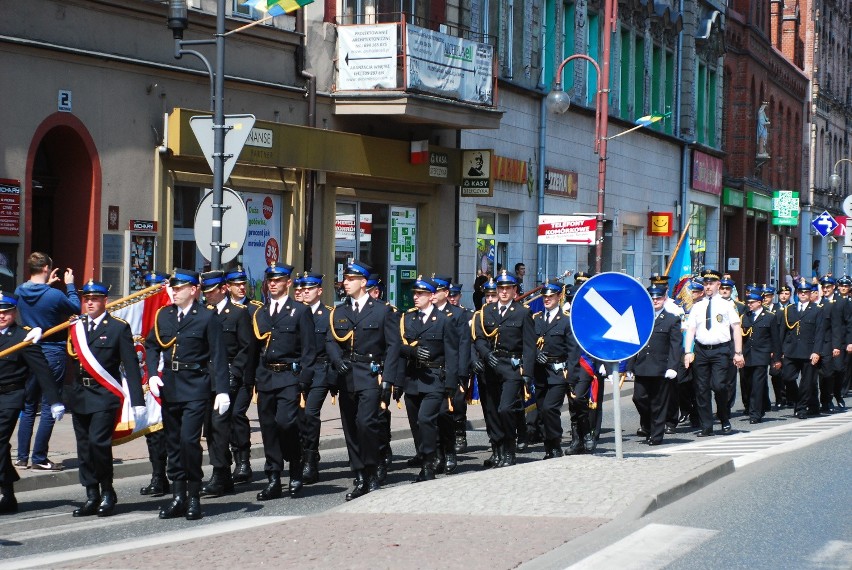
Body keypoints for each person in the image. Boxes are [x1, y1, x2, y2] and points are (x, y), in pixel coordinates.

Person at [145, 269, 229, 520]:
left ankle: (193, 496)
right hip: (170, 386)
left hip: (196, 387)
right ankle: (177, 496)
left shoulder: (206, 317)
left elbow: (218, 355)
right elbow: (152, 345)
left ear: (193, 290)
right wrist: (152, 374)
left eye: (179, 287)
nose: (174, 291)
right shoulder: (164, 315)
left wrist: (222, 391)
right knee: (172, 444)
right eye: (172, 287)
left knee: (188, 442)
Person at [68, 280, 145, 517]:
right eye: (86, 299)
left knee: (98, 444)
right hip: (80, 394)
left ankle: (107, 490)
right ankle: (91, 493)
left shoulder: (117, 328)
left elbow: (131, 365)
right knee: (83, 447)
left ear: (105, 301)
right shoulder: (76, 327)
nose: (89, 303)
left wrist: (138, 400)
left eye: (94, 299)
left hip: (104, 396)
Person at [326, 260, 400, 501]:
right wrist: (337, 361)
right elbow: (331, 341)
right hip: (346, 375)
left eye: (350, 279)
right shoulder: (339, 311)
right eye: (345, 279)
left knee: (366, 424)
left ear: (363, 283)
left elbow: (392, 347)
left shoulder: (382, 311)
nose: (345, 283)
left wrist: (388, 380)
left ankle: (371, 469)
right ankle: (359, 474)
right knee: (350, 427)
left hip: (370, 374)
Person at [252, 263, 316, 500]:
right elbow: (254, 349)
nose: (272, 284)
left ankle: (296, 465)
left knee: (286, 424)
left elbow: (309, 349)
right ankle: (274, 477)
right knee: (269, 429)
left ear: (288, 283)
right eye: (270, 280)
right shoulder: (261, 313)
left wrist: (304, 381)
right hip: (266, 376)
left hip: (290, 376)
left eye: (277, 280)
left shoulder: (299, 311)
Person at [0, 292, 65, 514]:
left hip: (10, 396)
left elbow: (42, 370)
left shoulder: (23, 338)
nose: (1, 316)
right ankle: (7, 492)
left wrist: (55, 400)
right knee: (2, 447)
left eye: (6, 312)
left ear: (14, 313)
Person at [15, 252, 79, 471]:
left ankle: (22, 457)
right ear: (46, 269)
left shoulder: (20, 291)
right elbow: (76, 308)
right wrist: (69, 285)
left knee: (29, 405)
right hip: (52, 350)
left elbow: (35, 297)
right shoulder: (55, 295)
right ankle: (40, 457)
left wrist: (48, 286)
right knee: (51, 403)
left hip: (29, 352)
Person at [198, 270, 255, 498]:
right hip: (210, 377)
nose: (208, 296)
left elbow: (246, 347)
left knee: (222, 424)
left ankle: (221, 472)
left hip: (233, 377)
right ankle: (224, 474)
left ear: (223, 289)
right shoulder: (205, 313)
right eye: (205, 292)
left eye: (211, 292)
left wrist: (236, 371)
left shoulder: (238, 314)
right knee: (211, 427)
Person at [472, 271, 536, 467]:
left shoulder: (522, 312)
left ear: (515, 290)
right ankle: (497, 450)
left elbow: (529, 346)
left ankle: (510, 448)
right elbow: (480, 338)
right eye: (501, 288)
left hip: (512, 367)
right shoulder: (486, 311)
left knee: (506, 408)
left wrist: (527, 373)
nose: (504, 292)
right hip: (491, 367)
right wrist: (485, 353)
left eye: (508, 288)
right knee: (492, 411)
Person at [399, 276, 458, 482]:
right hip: (412, 378)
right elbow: (398, 345)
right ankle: (425, 455)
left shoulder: (444, 320)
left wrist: (451, 383)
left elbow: (452, 353)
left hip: (434, 378)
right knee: (416, 423)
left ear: (431, 296)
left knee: (426, 420)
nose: (416, 297)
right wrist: (410, 351)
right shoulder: (408, 319)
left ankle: (428, 464)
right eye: (415, 294)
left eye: (421, 294)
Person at [683, 269, 744, 437]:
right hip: (702, 350)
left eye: (711, 283)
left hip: (721, 350)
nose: (708, 286)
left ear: (718, 284)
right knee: (701, 389)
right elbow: (691, 330)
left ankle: (724, 418)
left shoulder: (727, 305)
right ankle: (706, 425)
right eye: (705, 283)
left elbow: (736, 327)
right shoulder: (697, 306)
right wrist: (688, 351)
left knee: (719, 386)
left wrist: (738, 352)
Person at [626, 285, 682, 445]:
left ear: (664, 298)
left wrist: (673, 366)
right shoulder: (641, 319)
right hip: (642, 366)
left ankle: (656, 435)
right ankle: (650, 425)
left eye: (658, 298)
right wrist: (630, 366)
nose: (655, 301)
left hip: (660, 368)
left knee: (658, 403)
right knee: (639, 398)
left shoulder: (672, 319)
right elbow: (634, 344)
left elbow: (675, 346)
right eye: (652, 298)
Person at [532, 281, 580, 458]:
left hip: (559, 372)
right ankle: (549, 446)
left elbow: (573, 352)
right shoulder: (536, 318)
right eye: (544, 296)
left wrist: (572, 378)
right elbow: (529, 342)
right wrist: (536, 353)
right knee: (541, 410)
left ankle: (555, 442)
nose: (547, 299)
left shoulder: (566, 320)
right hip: (540, 372)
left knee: (549, 409)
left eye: (550, 296)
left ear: (559, 297)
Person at [296, 272, 335, 485]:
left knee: (310, 413)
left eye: (309, 289)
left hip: (320, 370)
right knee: (297, 416)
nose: (304, 292)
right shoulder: (295, 313)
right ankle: (303, 452)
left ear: (319, 291)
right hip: (299, 370)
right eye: (302, 289)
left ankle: (310, 458)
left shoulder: (327, 315)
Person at [225, 266, 261, 484]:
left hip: (246, 372)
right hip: (222, 373)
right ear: (227, 287)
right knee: (223, 418)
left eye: (243, 284)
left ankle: (243, 461)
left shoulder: (254, 309)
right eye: (236, 284)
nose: (241, 288)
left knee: (237, 414)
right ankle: (227, 461)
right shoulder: (218, 309)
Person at [138, 270, 172, 498]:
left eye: (156, 288)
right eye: (148, 288)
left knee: (169, 433)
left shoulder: (169, 312)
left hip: (169, 377)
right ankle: (158, 477)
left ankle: (175, 477)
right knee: (152, 433)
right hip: (148, 379)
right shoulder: (142, 312)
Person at [779, 280, 825, 419]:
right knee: (787, 377)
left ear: (810, 294)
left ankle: (801, 408)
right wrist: (780, 350)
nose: (803, 294)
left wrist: (816, 351)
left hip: (808, 351)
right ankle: (798, 400)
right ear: (797, 293)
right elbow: (783, 331)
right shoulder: (789, 309)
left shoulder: (817, 309)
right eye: (800, 292)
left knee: (807, 382)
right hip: (791, 351)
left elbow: (819, 333)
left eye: (806, 292)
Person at [739, 292, 781, 423]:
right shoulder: (744, 317)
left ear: (759, 302)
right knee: (748, 385)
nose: (749, 305)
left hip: (761, 355)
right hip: (746, 355)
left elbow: (775, 339)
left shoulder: (769, 317)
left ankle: (755, 414)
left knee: (758, 385)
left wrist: (777, 358)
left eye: (752, 302)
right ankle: (760, 408)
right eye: (748, 302)